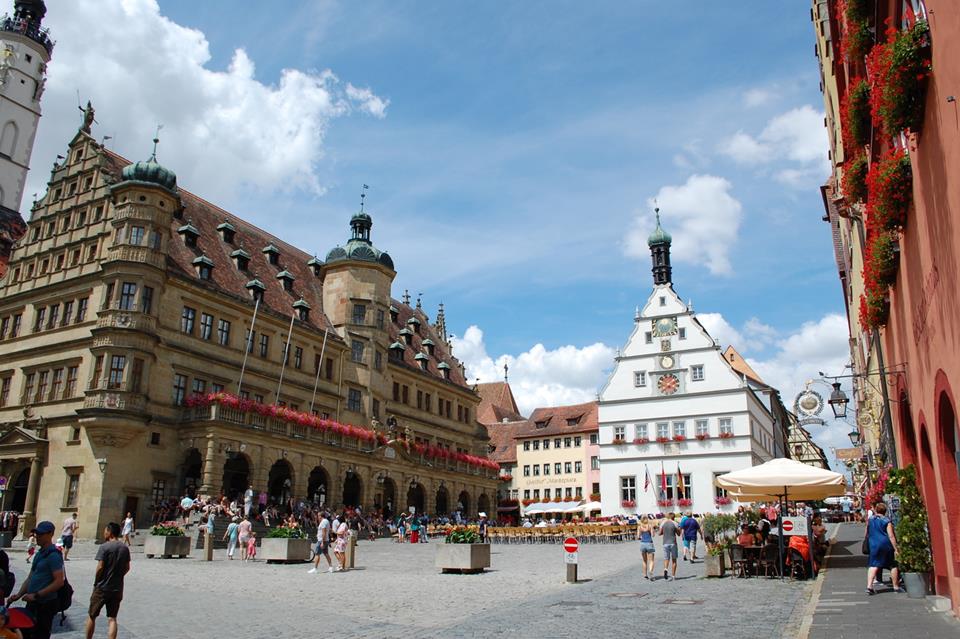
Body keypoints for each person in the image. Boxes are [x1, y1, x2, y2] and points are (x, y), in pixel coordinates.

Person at [7, 521, 64, 639]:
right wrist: (18, 595)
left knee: (40, 635)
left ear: (50, 534)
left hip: (45, 604)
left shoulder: (54, 556)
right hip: (33, 603)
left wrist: (36, 595)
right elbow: (30, 578)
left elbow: (59, 581)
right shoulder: (40, 554)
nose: (37, 536)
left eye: (41, 534)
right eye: (37, 533)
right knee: (27, 633)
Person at [84, 522, 130, 639]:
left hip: (102, 587)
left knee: (92, 615)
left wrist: (97, 580)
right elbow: (127, 567)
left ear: (109, 532)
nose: (104, 532)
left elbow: (100, 567)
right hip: (117, 587)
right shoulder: (124, 548)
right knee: (112, 618)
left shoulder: (105, 547)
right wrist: (118, 576)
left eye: (105, 530)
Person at [866, 502, 903, 595]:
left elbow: (867, 532)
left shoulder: (870, 519)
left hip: (873, 544)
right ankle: (896, 587)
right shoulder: (886, 520)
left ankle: (869, 586)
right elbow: (891, 535)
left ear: (875, 510)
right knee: (893, 565)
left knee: (873, 565)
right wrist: (896, 548)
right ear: (885, 511)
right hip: (885, 544)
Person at [659, 512, 679, 581]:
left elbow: (660, 533)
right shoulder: (675, 523)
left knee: (666, 558)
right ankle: (673, 576)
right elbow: (678, 533)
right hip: (673, 542)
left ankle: (665, 569)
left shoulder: (663, 523)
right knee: (674, 560)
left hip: (665, 543)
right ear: (673, 517)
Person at [636, 515, 657, 580]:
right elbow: (653, 535)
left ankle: (645, 575)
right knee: (651, 560)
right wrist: (652, 530)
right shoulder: (650, 526)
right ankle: (650, 571)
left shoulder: (639, 527)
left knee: (644, 561)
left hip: (643, 544)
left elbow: (638, 536)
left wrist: (641, 536)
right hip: (649, 543)